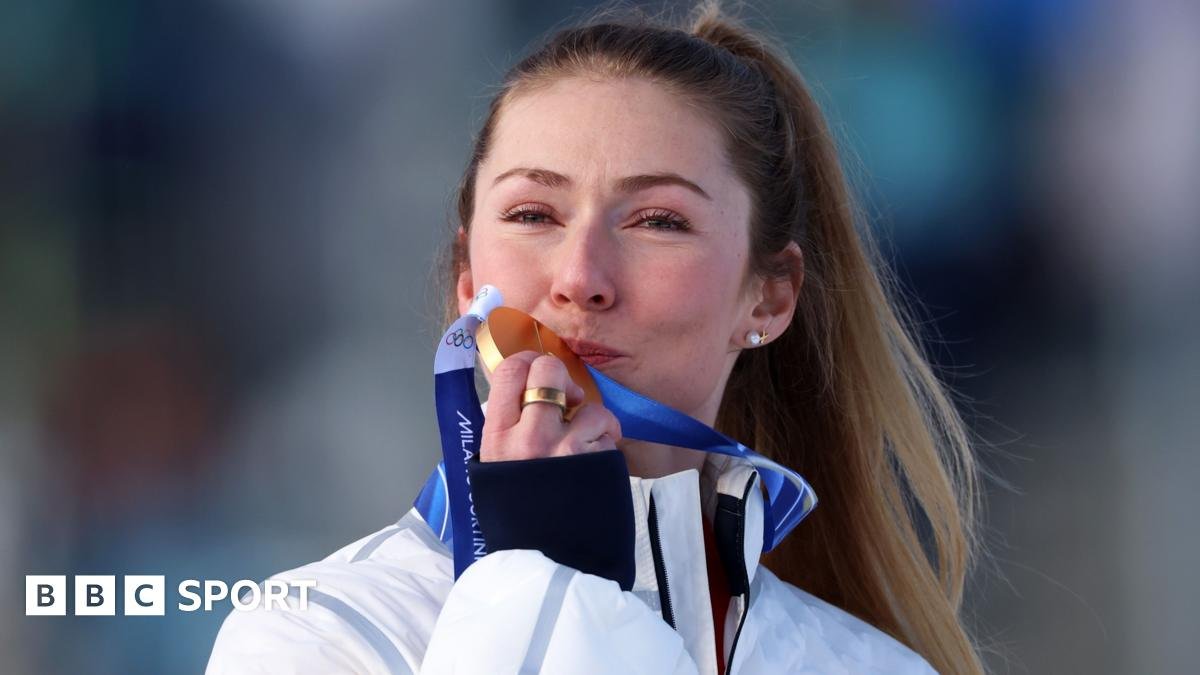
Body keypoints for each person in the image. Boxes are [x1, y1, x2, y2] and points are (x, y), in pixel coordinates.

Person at [206, 2, 985, 673]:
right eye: (532, 215)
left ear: (771, 295)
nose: (581, 277)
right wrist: (543, 579)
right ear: (468, 284)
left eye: (658, 222)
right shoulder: (317, 633)